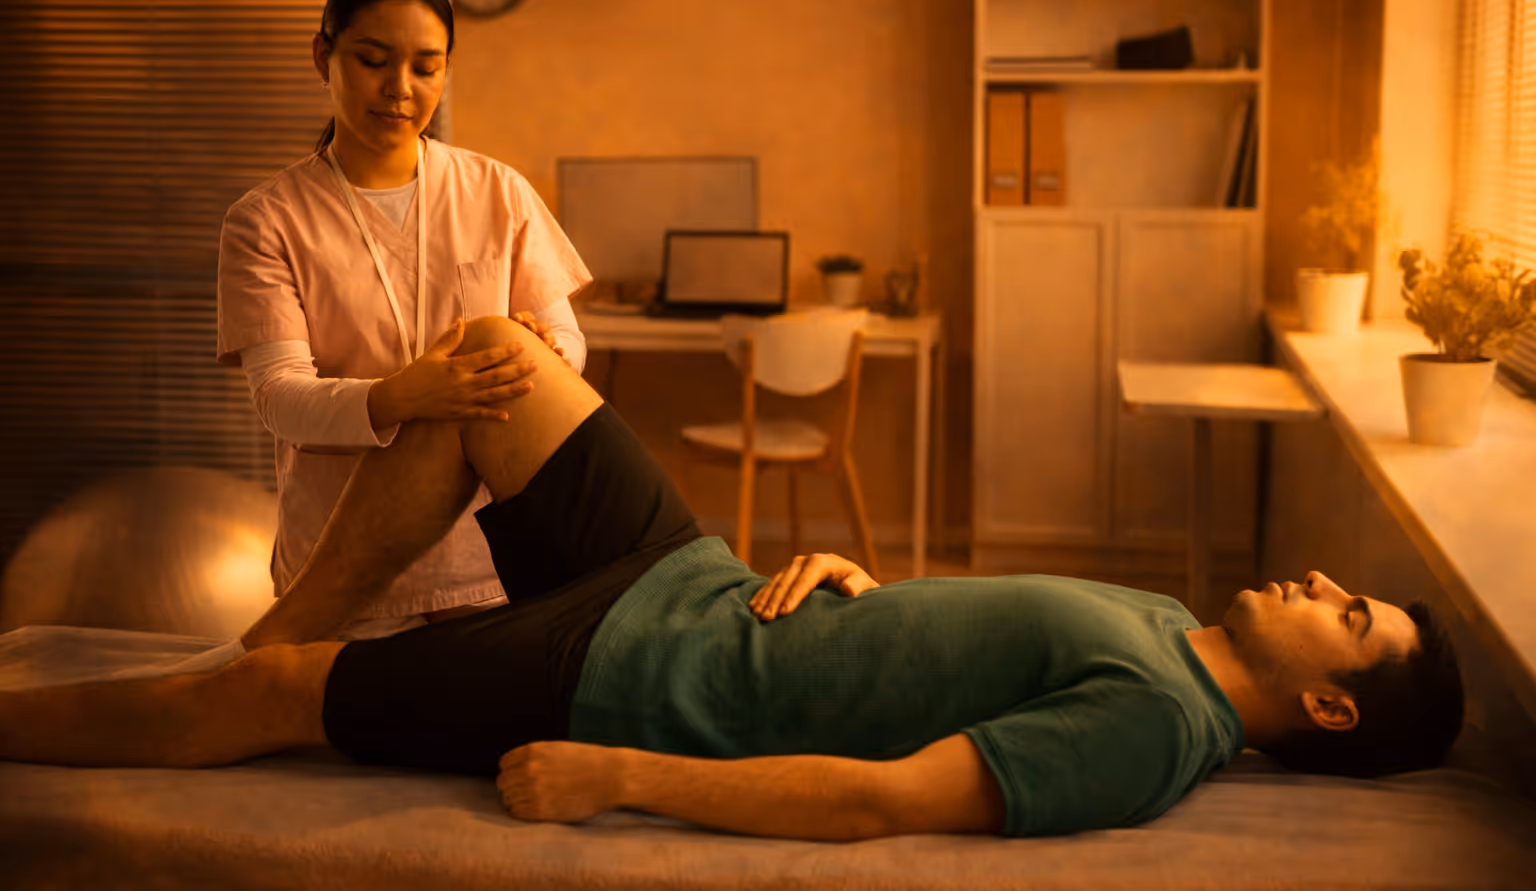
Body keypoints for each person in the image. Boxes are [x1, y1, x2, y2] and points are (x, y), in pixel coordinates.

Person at [0, 316, 1465, 841]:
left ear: (1331, 708)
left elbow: (883, 797)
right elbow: (944, 650)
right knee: (497, 358)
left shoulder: (1153, 728)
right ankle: (262, 640)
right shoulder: (1173, 625)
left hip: (637, 672)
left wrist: (619, 775)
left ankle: (184, 690)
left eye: (1353, 614)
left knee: (274, 703)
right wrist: (855, 574)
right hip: (700, 577)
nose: (1325, 580)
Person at [216, 0, 592, 639]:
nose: (400, 89)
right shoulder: (266, 219)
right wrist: (400, 396)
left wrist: (540, 352)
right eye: (373, 60)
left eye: (426, 66)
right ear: (323, 56)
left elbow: (570, 345)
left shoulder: (496, 192)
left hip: (487, 564)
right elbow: (280, 397)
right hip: (339, 575)